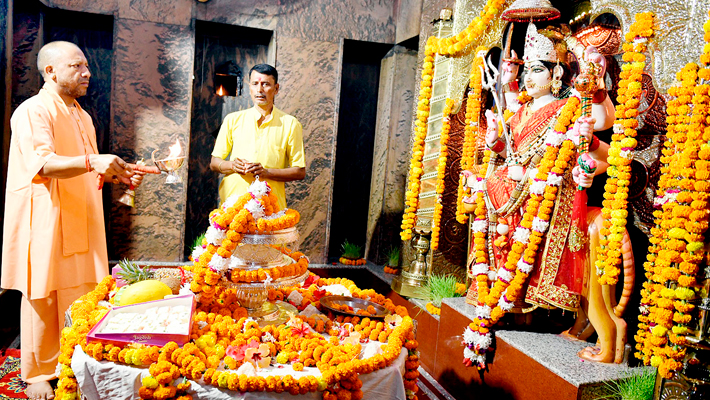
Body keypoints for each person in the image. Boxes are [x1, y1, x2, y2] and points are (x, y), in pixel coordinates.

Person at [1, 41, 143, 400]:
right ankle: (36, 373)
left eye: (86, 66)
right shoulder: (33, 111)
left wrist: (123, 174)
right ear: (50, 71)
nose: (87, 73)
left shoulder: (83, 115)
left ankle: (74, 359)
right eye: (77, 67)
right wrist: (93, 161)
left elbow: (89, 167)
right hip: (47, 214)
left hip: (83, 213)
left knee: (84, 290)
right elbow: (44, 164)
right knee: (42, 293)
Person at [210, 64, 306, 210]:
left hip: (270, 208)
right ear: (250, 87)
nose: (259, 90)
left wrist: (266, 172)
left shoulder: (291, 124)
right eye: (255, 84)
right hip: (233, 205)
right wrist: (232, 165)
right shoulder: (232, 120)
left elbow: (299, 171)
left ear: (276, 88)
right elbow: (214, 163)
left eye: (266, 84)